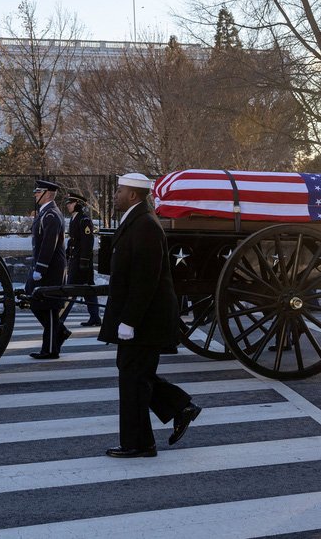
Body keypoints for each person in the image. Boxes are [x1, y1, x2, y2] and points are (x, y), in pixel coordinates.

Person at [99, 172, 200, 458]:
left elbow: (146, 279)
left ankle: (138, 443)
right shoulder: (137, 219)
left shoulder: (145, 225)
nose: (115, 195)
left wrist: (129, 321)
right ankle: (174, 412)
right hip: (141, 317)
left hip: (144, 319)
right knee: (135, 375)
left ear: (132, 195)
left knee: (134, 378)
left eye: (119, 191)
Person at [26, 180, 68, 359]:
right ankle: (61, 331)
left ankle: (50, 349)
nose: (35, 194)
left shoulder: (51, 215)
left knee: (49, 306)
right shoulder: (46, 213)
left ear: (48, 194)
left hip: (51, 268)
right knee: (33, 299)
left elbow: (48, 245)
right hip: (44, 266)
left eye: (38, 191)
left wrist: (41, 268)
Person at [65, 192, 99, 326]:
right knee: (87, 290)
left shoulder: (84, 220)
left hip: (82, 261)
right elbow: (73, 240)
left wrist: (84, 260)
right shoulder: (75, 218)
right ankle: (95, 317)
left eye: (71, 203)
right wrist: (68, 253)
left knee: (73, 290)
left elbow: (87, 241)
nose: (68, 205)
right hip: (76, 259)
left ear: (78, 204)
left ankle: (60, 318)